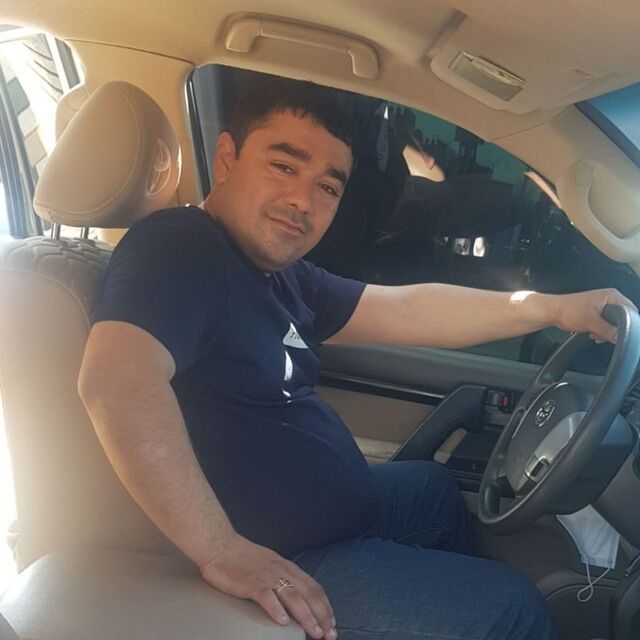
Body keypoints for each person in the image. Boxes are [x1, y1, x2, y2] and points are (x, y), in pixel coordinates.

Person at [79, 78, 634, 640]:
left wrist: (552, 308)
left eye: (327, 186)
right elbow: (116, 380)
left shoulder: (279, 274)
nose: (303, 200)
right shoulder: (178, 246)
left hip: (331, 518)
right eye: (283, 166)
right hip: (286, 556)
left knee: (434, 491)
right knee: (514, 610)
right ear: (226, 158)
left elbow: (407, 309)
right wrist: (221, 549)